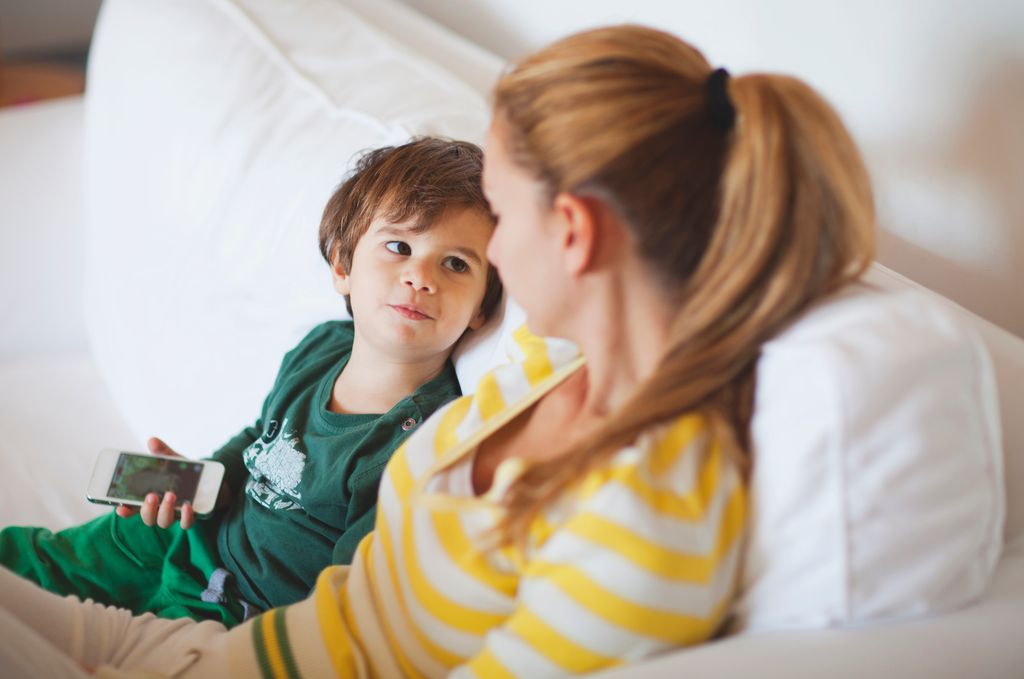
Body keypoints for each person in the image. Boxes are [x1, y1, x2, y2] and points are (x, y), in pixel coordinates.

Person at [0, 23, 876, 678]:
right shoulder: (546, 362)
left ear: (568, 232)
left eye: (495, 202)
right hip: (218, 640)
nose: (463, 260)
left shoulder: (650, 513)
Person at [0, 137, 503, 627]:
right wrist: (196, 481)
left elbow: (351, 604)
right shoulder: (321, 347)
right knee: (42, 561)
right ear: (344, 268)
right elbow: (260, 440)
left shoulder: (423, 444)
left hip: (231, 610)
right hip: (192, 533)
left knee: (58, 648)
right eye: (399, 246)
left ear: (481, 307)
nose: (420, 276)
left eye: (455, 263)